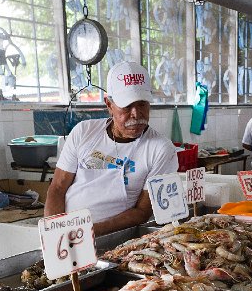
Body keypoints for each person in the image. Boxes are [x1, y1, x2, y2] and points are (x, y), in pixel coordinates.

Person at [45, 61, 178, 236]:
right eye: (127, 106)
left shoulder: (160, 149)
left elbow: (142, 212)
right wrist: (55, 232)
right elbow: (57, 187)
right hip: (67, 234)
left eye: (142, 104)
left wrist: (90, 232)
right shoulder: (84, 132)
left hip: (116, 238)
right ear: (109, 105)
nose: (136, 114)